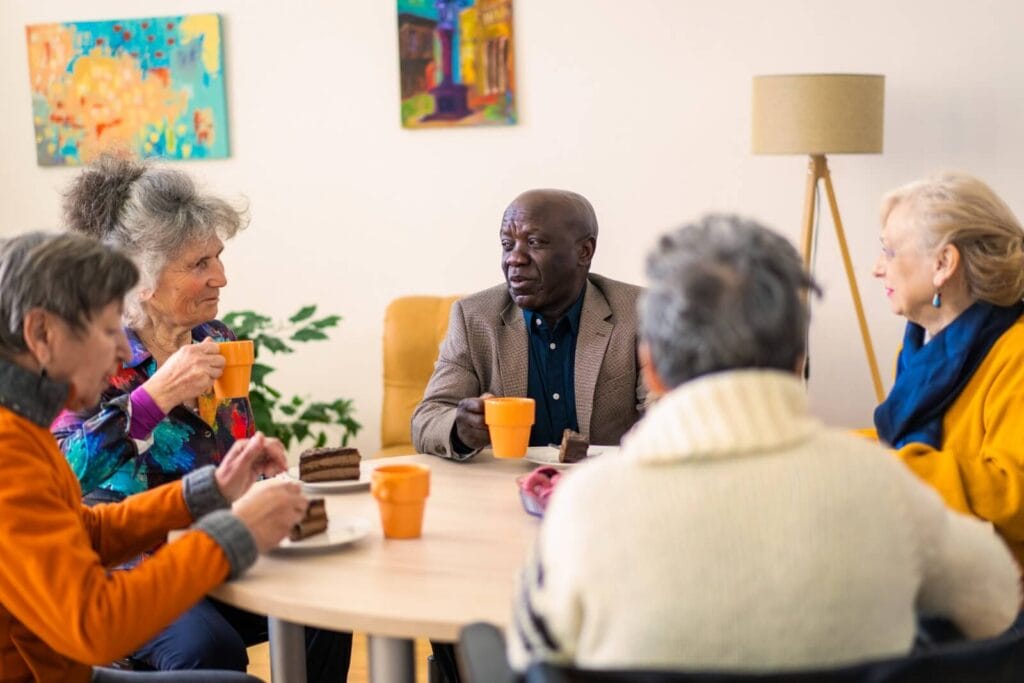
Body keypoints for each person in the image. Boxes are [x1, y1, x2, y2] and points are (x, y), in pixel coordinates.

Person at [509, 215, 1019, 672]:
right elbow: (998, 607)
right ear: (799, 359)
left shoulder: (587, 507)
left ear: (652, 366)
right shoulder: (888, 489)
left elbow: (530, 657)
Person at [51, 155, 350, 678]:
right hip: (128, 565)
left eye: (218, 257)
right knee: (208, 650)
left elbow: (228, 456)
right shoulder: (87, 353)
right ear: (139, 280)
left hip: (219, 543)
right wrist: (151, 399)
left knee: (330, 607)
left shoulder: (219, 342)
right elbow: (58, 476)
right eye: (198, 265)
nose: (222, 277)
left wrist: (255, 464)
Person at [0, 231, 307, 683]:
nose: (124, 350)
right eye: (108, 331)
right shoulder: (10, 451)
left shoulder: (22, 427)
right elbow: (95, 625)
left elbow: (86, 531)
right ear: (42, 334)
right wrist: (233, 531)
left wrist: (211, 491)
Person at [412, 189, 646, 459]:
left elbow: (667, 410)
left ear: (584, 251)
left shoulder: (638, 313)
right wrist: (459, 428)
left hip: (603, 486)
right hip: (504, 486)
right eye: (507, 244)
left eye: (534, 243)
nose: (514, 258)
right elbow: (426, 419)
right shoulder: (474, 317)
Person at [872, 173, 1024, 569]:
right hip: (945, 565)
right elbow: (907, 448)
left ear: (943, 264)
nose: (877, 268)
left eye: (889, 252)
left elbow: (1014, 491)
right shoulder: (917, 351)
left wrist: (879, 469)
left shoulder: (1017, 351)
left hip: (1001, 587)